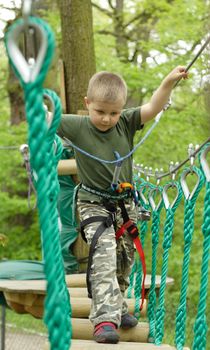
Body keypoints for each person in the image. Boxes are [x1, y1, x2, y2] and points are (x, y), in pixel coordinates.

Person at [57, 66, 188, 344]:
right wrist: (34, 99)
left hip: (124, 205)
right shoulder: (76, 126)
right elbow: (44, 118)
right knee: (103, 254)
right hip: (92, 203)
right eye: (100, 111)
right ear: (87, 104)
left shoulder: (126, 123)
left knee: (123, 260)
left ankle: (116, 305)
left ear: (122, 109)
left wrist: (168, 81)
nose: (106, 119)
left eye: (113, 113)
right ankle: (104, 319)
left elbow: (154, 105)